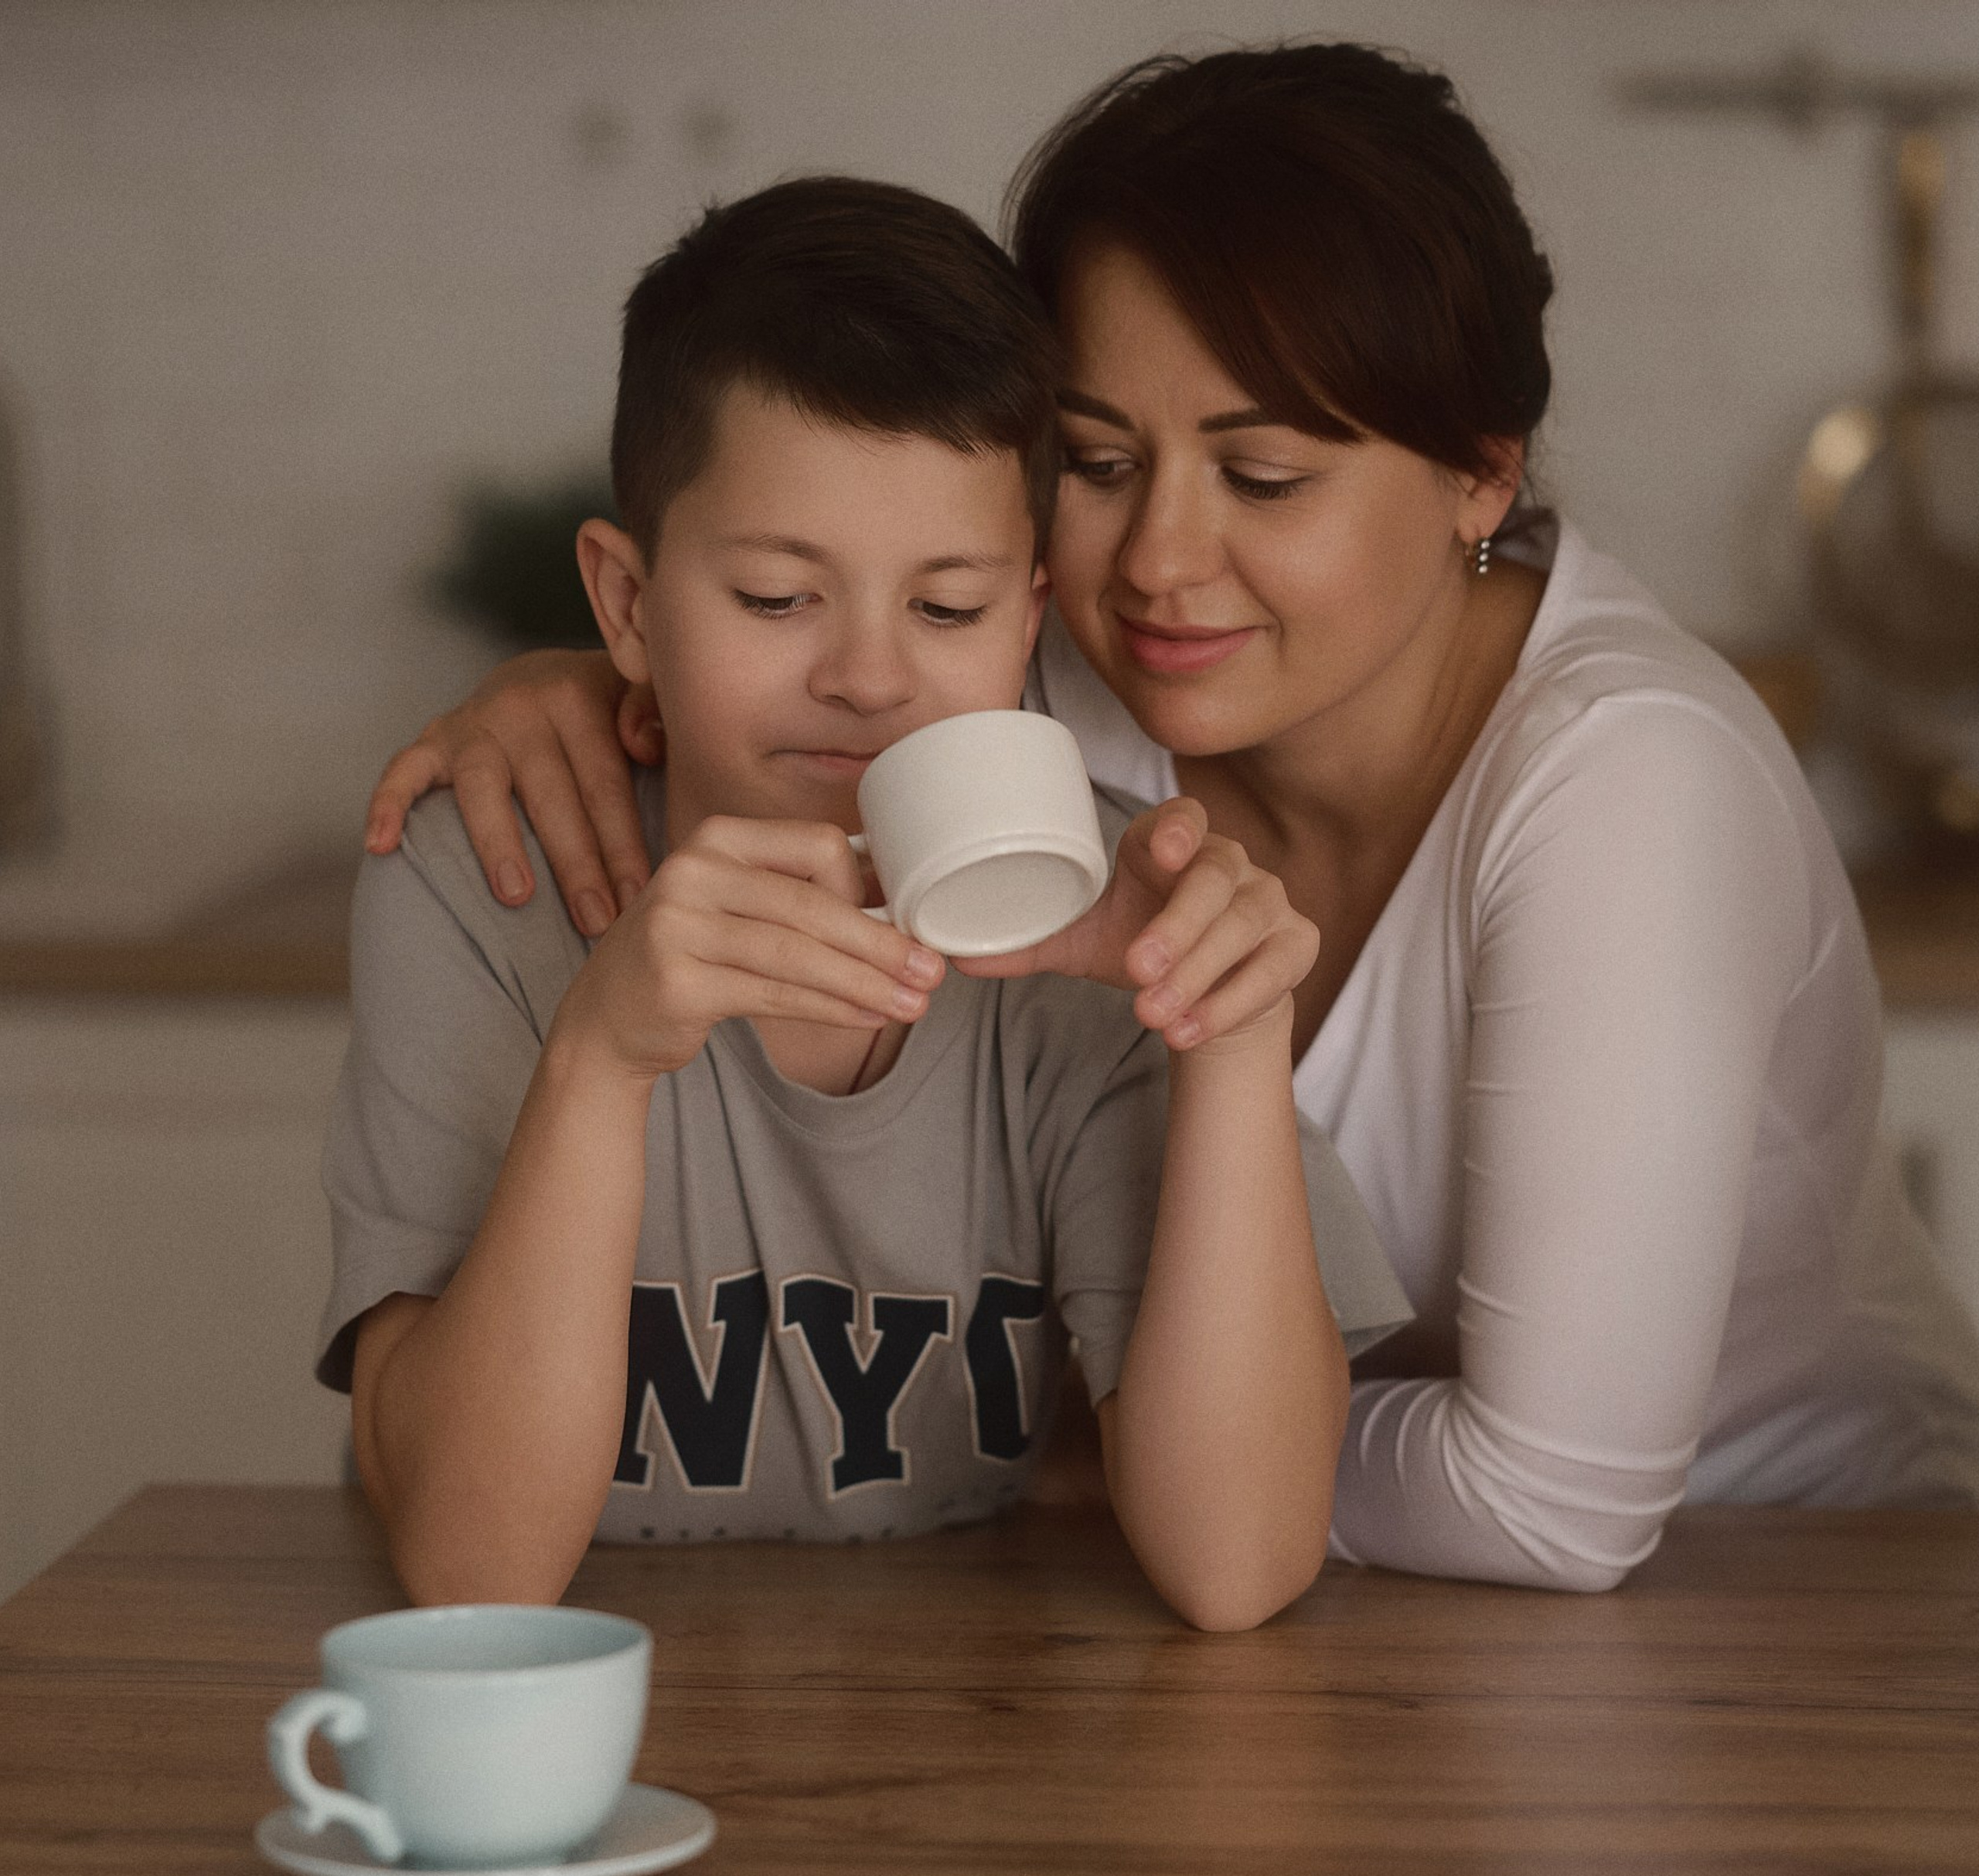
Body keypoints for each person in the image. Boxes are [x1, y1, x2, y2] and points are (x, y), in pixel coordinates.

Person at [366, 42, 1979, 1595]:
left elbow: (1549, 1500)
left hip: (1779, 1577)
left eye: (1262, 477)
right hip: (1274, 1604)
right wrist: (590, 686)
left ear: (1480, 475)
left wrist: (1097, 1445)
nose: (1155, 563)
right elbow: (846, 610)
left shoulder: (1629, 786)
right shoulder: (1067, 678)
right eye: (1094, 460)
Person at [320, 175, 1412, 1629]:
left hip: (958, 1702)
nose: (870, 678)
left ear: (1029, 617)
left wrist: (1225, 1038)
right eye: (779, 599)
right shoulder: (487, 879)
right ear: (627, 604)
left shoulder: (1111, 913)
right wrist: (602, 1054)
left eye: (948, 609)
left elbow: (1238, 1565)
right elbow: (474, 1577)